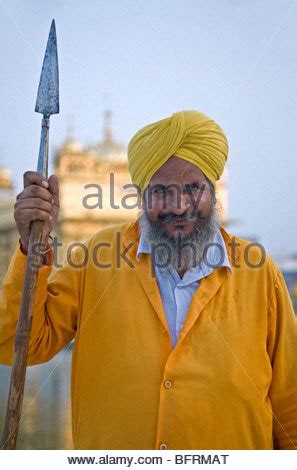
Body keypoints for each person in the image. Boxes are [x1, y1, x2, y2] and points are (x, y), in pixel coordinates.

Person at [0, 110, 296, 450]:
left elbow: (291, 406)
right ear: (141, 195)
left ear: (213, 191)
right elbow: (14, 344)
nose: (179, 205)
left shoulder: (258, 273)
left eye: (192, 188)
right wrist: (32, 246)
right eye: (161, 191)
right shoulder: (98, 258)